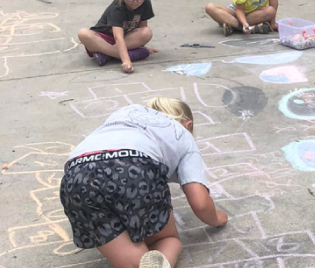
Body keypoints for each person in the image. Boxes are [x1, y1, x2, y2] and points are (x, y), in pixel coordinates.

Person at [60, 97, 228, 268]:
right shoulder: (181, 133)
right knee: (168, 240)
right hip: (133, 169)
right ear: (187, 124)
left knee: (136, 258)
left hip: (77, 176)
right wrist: (217, 218)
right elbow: (200, 202)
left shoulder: (125, 113)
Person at [78, 0, 157, 73]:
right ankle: (127, 54)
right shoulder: (117, 8)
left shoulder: (145, 2)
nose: (135, 1)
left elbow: (141, 26)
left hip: (126, 38)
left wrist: (141, 45)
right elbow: (117, 37)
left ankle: (106, 55)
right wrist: (126, 61)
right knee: (83, 33)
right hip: (105, 38)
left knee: (146, 32)